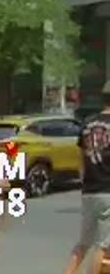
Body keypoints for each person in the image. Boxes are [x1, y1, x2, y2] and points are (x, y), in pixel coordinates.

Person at [65, 81, 110, 274]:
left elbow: (80, 157)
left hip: (89, 190)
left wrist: (85, 182)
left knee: (84, 243)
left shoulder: (87, 123)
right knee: (104, 245)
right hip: (108, 189)